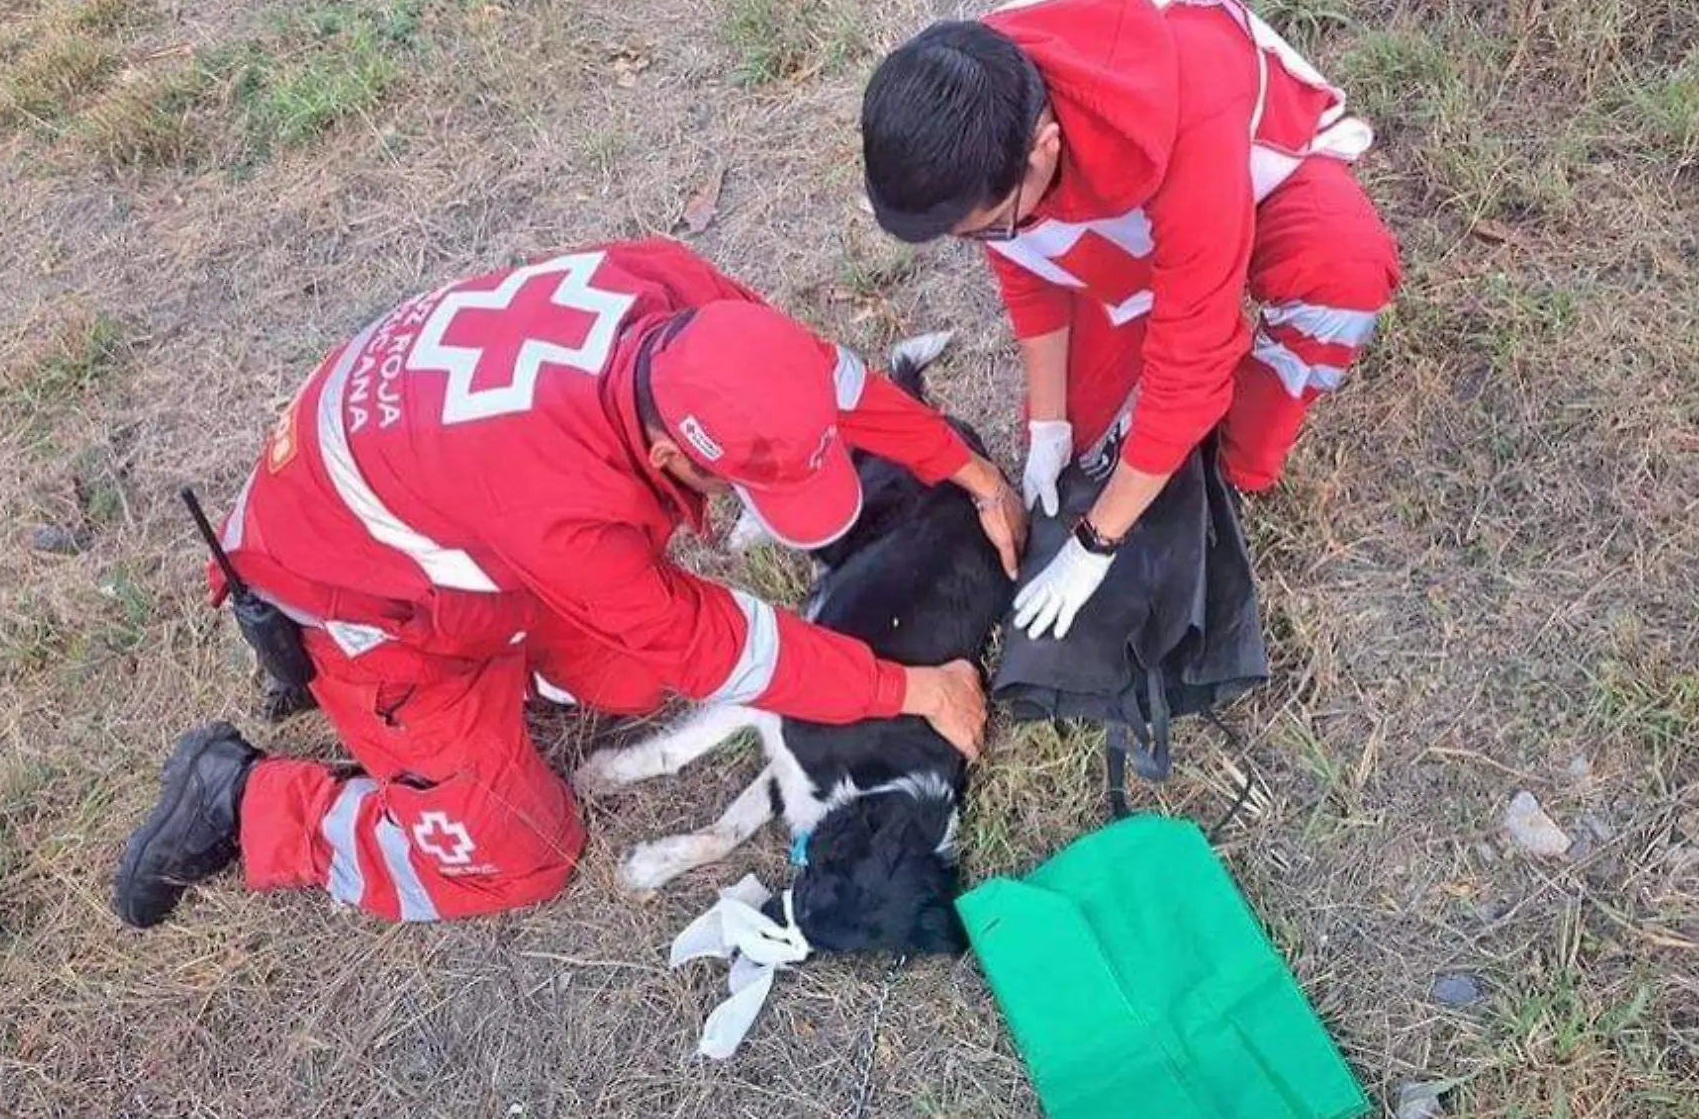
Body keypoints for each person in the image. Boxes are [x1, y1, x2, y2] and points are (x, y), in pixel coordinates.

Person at [113, 238, 1026, 928]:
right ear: (672, 452)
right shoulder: (566, 512)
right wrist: (913, 685)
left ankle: (488, 706)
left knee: (631, 676)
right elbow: (719, 643)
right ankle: (249, 797)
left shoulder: (686, 301)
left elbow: (832, 380)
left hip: (439, 512)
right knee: (522, 852)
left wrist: (974, 476)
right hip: (356, 602)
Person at [861, 0, 1402, 641]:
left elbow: (1190, 360)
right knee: (1083, 453)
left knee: (1339, 277)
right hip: (1135, 222)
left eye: (985, 227)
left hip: (1255, 184)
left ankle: (1236, 463)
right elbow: (1031, 271)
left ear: (1044, 151)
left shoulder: (1188, 113)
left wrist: (1096, 543)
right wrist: (1050, 426)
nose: (982, 244)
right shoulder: (977, 99)